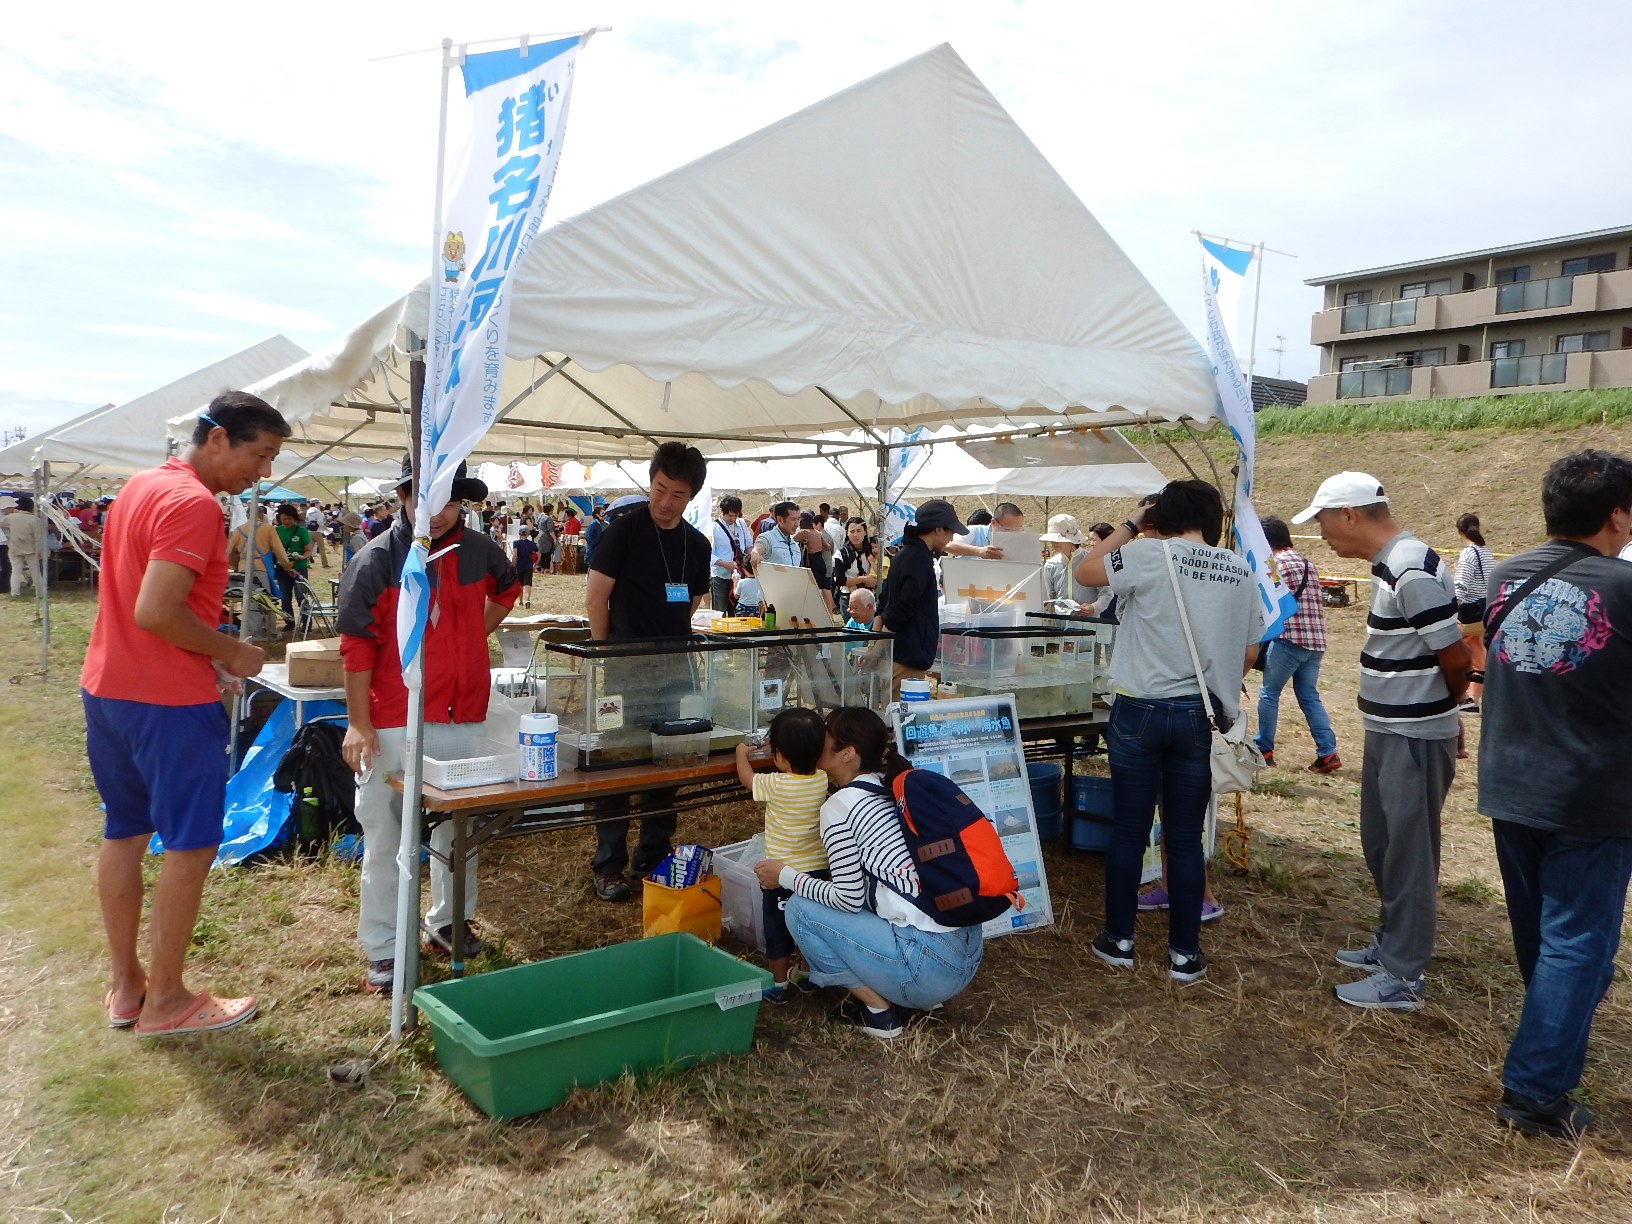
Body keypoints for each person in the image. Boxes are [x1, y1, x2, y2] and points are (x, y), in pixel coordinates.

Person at [82, 391, 289, 1036]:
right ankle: (167, 999)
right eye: (260, 455)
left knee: (125, 832)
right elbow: (157, 611)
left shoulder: (140, 487)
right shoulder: (194, 504)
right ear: (219, 438)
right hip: (166, 702)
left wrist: (210, 656)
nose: (263, 473)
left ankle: (128, 988)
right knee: (192, 844)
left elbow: (143, 605)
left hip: (110, 687)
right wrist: (234, 650)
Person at [1476, 450, 1632, 1140]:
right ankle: (1535, 1092)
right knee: (1576, 945)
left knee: (1546, 938)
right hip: (1591, 795)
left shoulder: (1507, 576)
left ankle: (1551, 1041)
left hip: (1510, 784)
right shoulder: (1623, 588)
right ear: (1617, 514)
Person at [338, 458, 519, 993]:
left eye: (448, 499)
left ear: (462, 501)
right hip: (394, 718)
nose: (435, 512)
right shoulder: (376, 561)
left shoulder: (481, 551)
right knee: (387, 835)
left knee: (458, 835)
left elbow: (507, 590)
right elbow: (355, 648)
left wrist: (469, 639)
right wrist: (358, 724)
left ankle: (447, 922)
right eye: (423, 497)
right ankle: (384, 947)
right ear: (402, 494)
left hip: (462, 714)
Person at [1293, 471, 1469, 1011]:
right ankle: (1392, 945)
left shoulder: (1409, 566)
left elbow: (1456, 656)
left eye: (1322, 521)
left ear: (1348, 514)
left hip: (1413, 734)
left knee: (1409, 853)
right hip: (1394, 729)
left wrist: (1445, 711)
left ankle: (1403, 974)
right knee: (1384, 843)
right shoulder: (1395, 563)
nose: (1322, 534)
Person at [1074, 480, 1258, 984]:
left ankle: (1119, 939)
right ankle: (1184, 953)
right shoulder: (1239, 569)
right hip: (1198, 715)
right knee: (1184, 836)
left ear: (1162, 514)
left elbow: (1084, 570)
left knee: (1130, 830)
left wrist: (1132, 525)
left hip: (1139, 709)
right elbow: (1248, 652)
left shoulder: (1148, 555)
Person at [756, 707, 985, 1039]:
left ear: (847, 753)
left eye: (825, 735)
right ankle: (911, 992)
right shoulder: (890, 784)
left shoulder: (841, 806)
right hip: (965, 960)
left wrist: (785, 876)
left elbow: (848, 900)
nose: (816, 739)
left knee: (798, 909)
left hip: (928, 968)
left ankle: (879, 1012)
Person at [585, 443, 711, 901]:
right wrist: (606, 654)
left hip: (676, 668)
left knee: (668, 763)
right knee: (617, 765)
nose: (665, 502)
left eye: (677, 495)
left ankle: (654, 853)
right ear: (650, 482)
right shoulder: (624, 531)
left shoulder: (697, 544)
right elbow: (597, 598)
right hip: (624, 666)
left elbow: (693, 601)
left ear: (690, 496)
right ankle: (609, 863)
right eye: (659, 489)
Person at [735, 707, 830, 1002]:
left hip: (779, 875)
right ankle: (806, 973)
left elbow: (747, 778)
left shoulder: (776, 784)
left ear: (779, 756)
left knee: (778, 929)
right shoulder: (823, 779)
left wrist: (740, 752)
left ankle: (778, 984)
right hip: (817, 872)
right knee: (811, 928)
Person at [1254, 515, 1340, 773]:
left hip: (1289, 639)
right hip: (1315, 642)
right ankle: (1328, 752)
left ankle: (1264, 748)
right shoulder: (1307, 563)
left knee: (1269, 693)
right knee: (1309, 696)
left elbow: (1265, 600)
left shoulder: (1275, 563)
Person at [873, 499, 967, 699]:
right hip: (906, 657)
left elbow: (883, 601)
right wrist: (877, 647)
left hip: (896, 655)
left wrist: (875, 645)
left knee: (889, 712)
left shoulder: (903, 554)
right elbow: (900, 608)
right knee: (901, 719)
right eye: (950, 531)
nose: (951, 538)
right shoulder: (919, 559)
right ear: (939, 529)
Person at [1454, 512, 1494, 713]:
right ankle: (1473, 697)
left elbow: (1461, 585)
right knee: (1478, 654)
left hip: (1469, 613)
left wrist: (1451, 609)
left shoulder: (1468, 553)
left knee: (1453, 652)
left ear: (1459, 531)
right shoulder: (1485, 551)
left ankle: (1460, 695)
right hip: (1485, 610)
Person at [710, 495, 755, 614]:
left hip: (740, 574)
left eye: (736, 515)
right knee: (719, 610)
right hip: (721, 575)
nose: (734, 518)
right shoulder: (714, 527)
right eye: (730, 515)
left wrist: (749, 560)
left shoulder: (741, 523)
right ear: (722, 512)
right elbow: (709, 554)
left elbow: (749, 544)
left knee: (737, 609)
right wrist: (725, 564)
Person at [274, 503, 314, 631]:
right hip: (282, 569)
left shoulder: (301, 531)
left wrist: (302, 557)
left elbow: (308, 550)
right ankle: (289, 622)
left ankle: (306, 623)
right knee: (285, 597)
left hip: (299, 567)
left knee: (301, 596)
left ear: (295, 518)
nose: (286, 521)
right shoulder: (276, 530)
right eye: (284, 519)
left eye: (289, 519)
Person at [831, 516, 877, 619]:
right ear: (847, 533)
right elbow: (840, 580)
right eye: (852, 531)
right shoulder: (841, 554)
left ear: (865, 532)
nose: (855, 535)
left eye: (859, 531)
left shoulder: (871, 551)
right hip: (849, 598)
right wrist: (863, 579)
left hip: (868, 598)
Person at [946, 501, 1021, 559]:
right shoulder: (974, 531)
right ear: (994, 522)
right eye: (1008, 530)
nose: (1013, 534)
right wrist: (979, 551)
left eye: (1017, 531)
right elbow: (948, 545)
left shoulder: (1018, 542)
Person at [1038, 513, 1085, 602]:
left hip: (1088, 615)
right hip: (1059, 615)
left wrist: (1093, 607)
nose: (1053, 543)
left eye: (1057, 539)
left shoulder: (1091, 561)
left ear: (1071, 540)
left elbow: (1105, 593)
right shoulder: (1051, 564)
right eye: (1052, 539)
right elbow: (1049, 596)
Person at [4, 495, 43, 598]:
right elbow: (38, 538)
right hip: (31, 549)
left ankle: (15, 592)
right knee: (35, 571)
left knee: (15, 571)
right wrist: (39, 550)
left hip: (14, 548)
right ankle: (40, 592)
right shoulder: (35, 520)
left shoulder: (11, 518)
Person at [752, 500, 805, 569]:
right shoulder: (767, 538)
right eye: (793, 519)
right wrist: (755, 553)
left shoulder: (794, 545)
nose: (797, 524)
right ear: (780, 520)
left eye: (798, 519)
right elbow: (758, 547)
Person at [512, 526, 540, 609]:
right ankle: (527, 600)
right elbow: (539, 554)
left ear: (519, 533)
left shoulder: (516, 543)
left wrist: (513, 564)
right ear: (528, 534)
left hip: (519, 566)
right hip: (528, 566)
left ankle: (520, 601)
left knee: (520, 584)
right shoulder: (532, 544)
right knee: (528, 583)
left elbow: (515, 555)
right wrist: (535, 564)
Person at [583, 502, 606, 568]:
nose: (604, 516)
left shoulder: (601, 524)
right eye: (602, 514)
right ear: (597, 515)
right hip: (593, 551)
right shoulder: (593, 524)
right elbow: (588, 537)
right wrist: (595, 545)